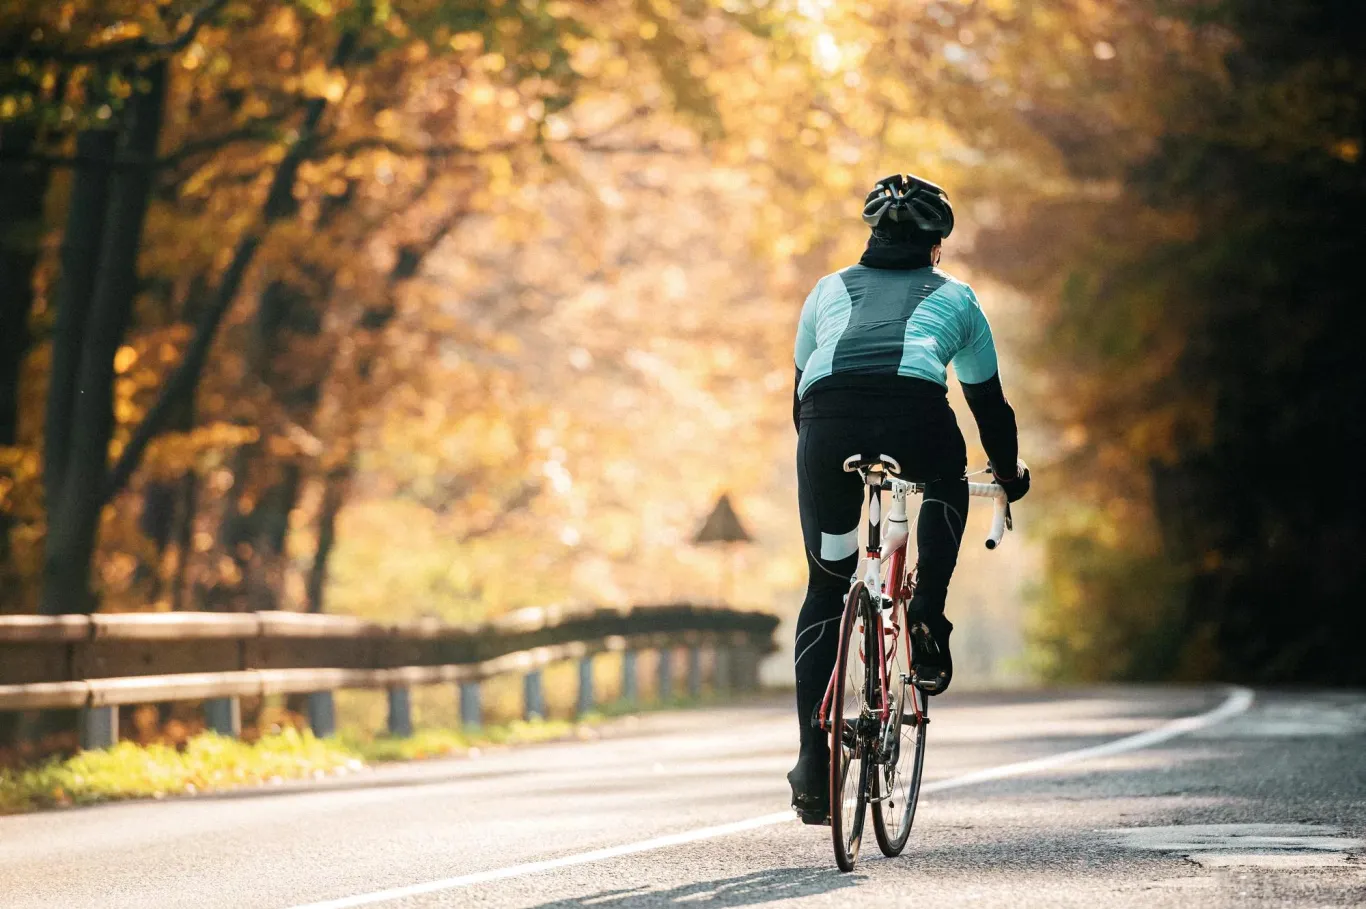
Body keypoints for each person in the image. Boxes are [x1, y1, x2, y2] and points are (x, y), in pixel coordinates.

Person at [788, 174, 1030, 822]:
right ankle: (927, 609)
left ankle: (814, 764)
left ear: (871, 235)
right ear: (937, 245)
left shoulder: (827, 288)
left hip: (827, 421)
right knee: (946, 480)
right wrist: (1007, 473)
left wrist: (822, 464)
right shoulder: (958, 298)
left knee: (826, 583)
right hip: (914, 414)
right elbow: (989, 408)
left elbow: (799, 392)